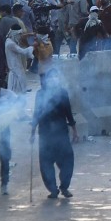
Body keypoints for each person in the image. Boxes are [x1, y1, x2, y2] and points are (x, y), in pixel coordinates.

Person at [30, 69, 80, 199]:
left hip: (61, 134)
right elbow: (36, 113)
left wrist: (74, 130)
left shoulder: (62, 93)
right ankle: (53, 189)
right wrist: (32, 132)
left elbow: (68, 113)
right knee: (46, 163)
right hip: (45, 134)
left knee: (68, 160)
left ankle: (64, 187)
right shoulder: (40, 94)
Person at [5, 27, 35, 94]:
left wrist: (30, 34)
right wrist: (32, 47)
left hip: (17, 65)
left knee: (20, 84)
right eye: (19, 35)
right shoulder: (10, 43)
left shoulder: (11, 40)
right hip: (14, 67)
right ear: (14, 34)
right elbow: (23, 51)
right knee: (14, 89)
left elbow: (22, 36)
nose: (19, 37)